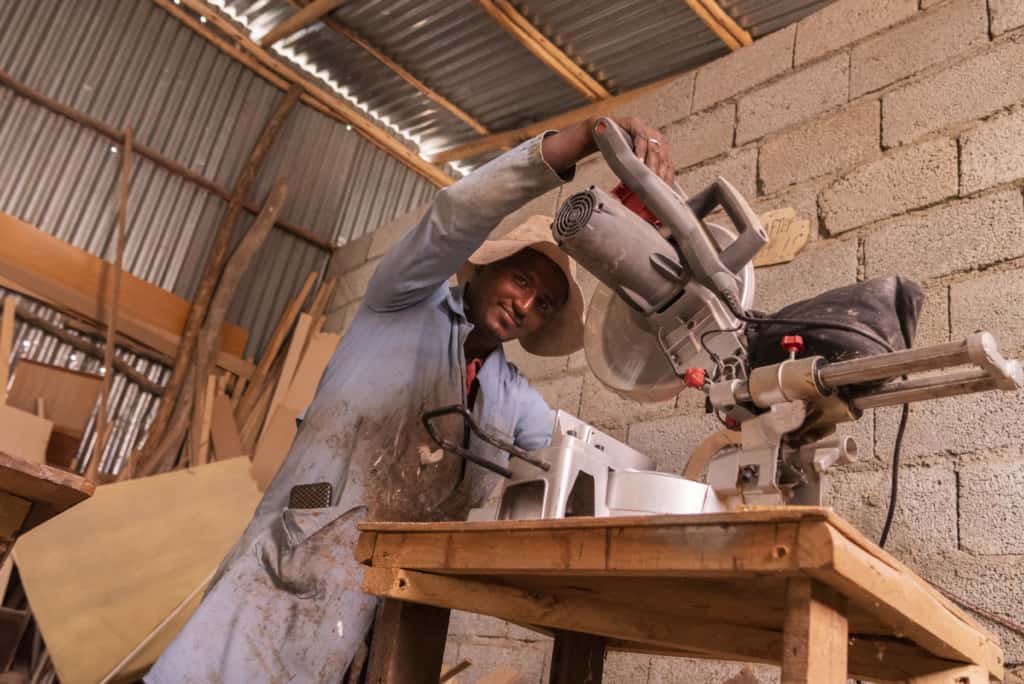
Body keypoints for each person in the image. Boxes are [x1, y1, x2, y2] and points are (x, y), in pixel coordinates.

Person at [146, 116, 673, 682]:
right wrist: (580, 141)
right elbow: (455, 216)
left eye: (544, 304)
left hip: (382, 607)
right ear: (487, 266)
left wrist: (655, 253)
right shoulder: (400, 303)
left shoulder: (510, 395)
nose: (526, 305)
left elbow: (573, 454)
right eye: (521, 281)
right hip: (290, 562)